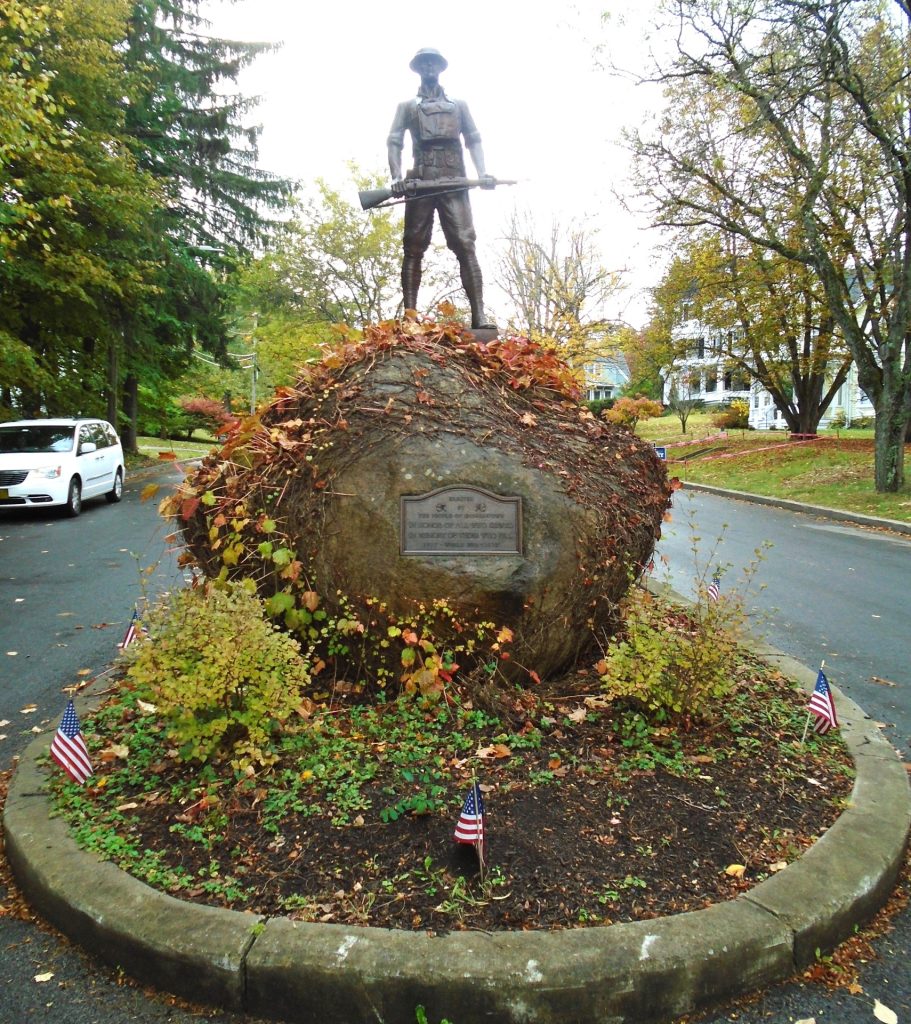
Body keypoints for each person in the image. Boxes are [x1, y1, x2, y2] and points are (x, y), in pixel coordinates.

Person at [387, 48, 496, 331]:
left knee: (465, 245)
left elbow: (473, 139)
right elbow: (394, 142)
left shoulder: (459, 105)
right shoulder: (407, 107)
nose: (429, 67)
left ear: (440, 67)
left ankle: (479, 317)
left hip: (454, 181)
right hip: (420, 182)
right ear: (417, 68)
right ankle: (409, 317)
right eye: (424, 63)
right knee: (413, 247)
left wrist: (482, 172)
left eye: (433, 62)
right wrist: (396, 176)